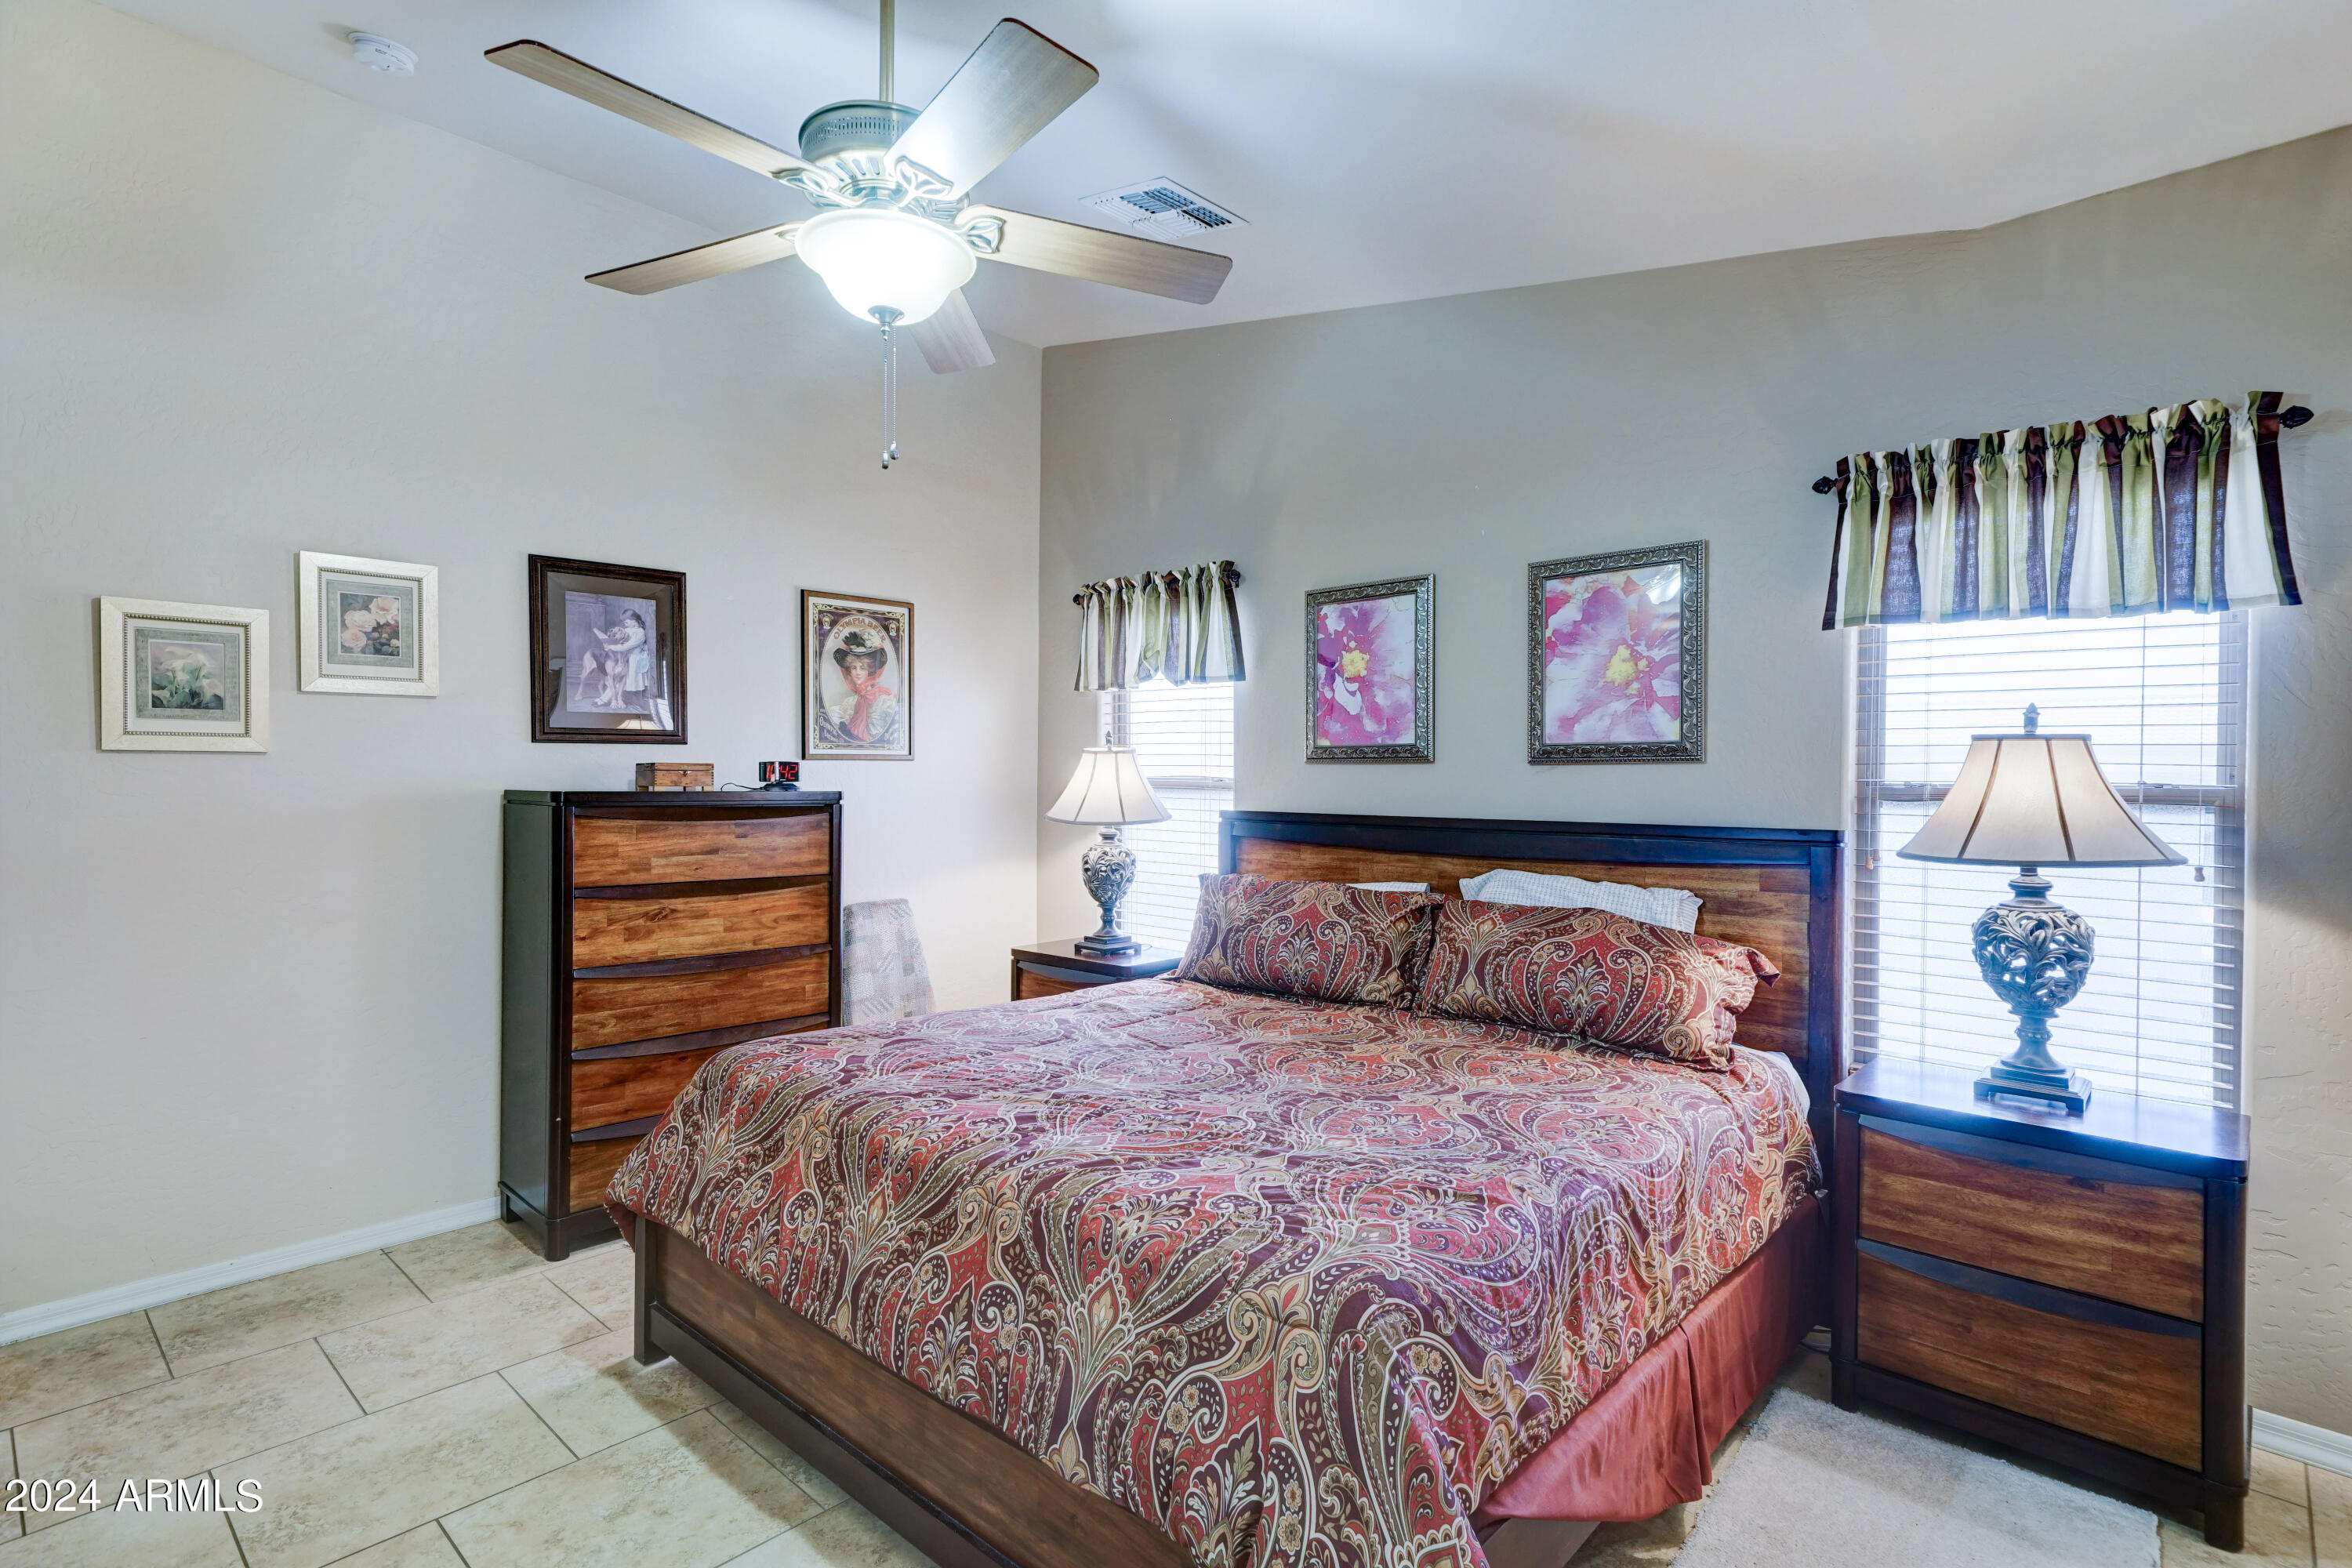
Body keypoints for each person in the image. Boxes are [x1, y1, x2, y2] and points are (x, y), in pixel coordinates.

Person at [817, 626, 902, 749]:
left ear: (870, 670)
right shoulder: (850, 703)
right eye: (853, 668)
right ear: (849, 671)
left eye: (862, 668)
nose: (857, 672)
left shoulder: (884, 699)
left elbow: (895, 730)